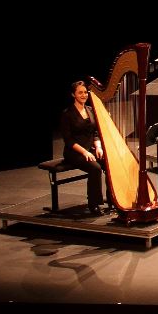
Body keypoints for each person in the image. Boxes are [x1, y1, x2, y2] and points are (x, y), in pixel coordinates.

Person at [59, 81, 107, 214]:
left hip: (90, 150)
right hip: (74, 152)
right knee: (96, 168)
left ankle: (112, 198)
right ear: (73, 94)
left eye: (85, 92)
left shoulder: (91, 110)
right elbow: (68, 140)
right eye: (80, 92)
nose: (84, 95)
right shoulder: (67, 114)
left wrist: (98, 147)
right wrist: (85, 152)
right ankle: (94, 204)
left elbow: (95, 132)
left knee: (109, 163)